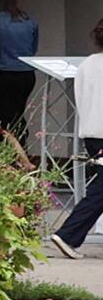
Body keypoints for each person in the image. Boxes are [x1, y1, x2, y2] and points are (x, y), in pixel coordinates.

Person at [46, 18, 103, 257]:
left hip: (92, 132)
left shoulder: (88, 64)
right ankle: (68, 234)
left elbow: (80, 97)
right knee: (100, 190)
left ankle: (68, 234)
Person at [0, 0, 42, 134]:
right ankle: (21, 148)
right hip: (26, 75)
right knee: (17, 114)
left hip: (1, 73)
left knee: (0, 118)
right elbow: (32, 49)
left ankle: (6, 152)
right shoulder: (28, 21)